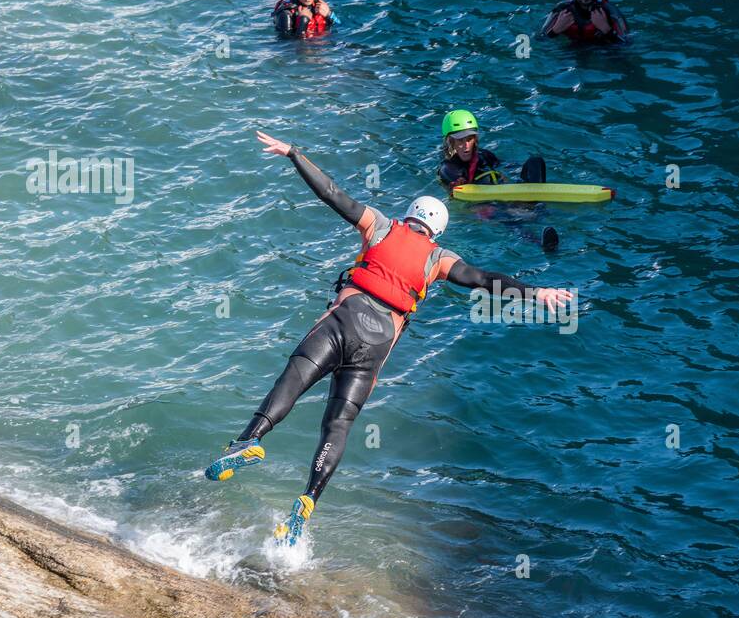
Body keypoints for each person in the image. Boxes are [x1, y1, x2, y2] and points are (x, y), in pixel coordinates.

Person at [205, 130, 574, 544]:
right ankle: (308, 500)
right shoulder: (439, 258)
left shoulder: (380, 227)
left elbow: (333, 194)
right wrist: (537, 293)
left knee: (293, 378)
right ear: (438, 231)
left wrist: (293, 153)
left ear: (410, 215)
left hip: (343, 321)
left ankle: (250, 441)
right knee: (338, 425)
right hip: (375, 349)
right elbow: (485, 279)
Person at [437, 109, 559, 251]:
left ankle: (536, 205)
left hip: (504, 192)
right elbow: (457, 189)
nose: (466, 145)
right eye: (460, 140)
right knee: (503, 216)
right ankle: (539, 242)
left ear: (475, 139)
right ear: (450, 141)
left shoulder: (484, 155)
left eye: (469, 139)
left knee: (535, 161)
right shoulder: (448, 168)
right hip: (483, 203)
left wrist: (517, 176)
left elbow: (508, 166)